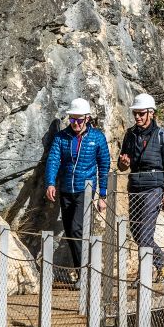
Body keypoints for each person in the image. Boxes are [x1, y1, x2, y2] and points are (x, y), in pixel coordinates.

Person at [44, 98, 110, 286]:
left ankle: (86, 274)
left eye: (79, 120)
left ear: (87, 118)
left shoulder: (97, 138)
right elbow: (53, 160)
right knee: (72, 231)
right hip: (65, 189)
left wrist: (102, 195)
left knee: (76, 229)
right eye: (72, 119)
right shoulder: (61, 137)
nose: (75, 123)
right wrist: (50, 183)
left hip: (85, 190)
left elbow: (104, 165)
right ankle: (83, 273)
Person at [118, 93, 164, 282]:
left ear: (151, 113)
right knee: (136, 230)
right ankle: (162, 262)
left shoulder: (162, 135)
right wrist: (124, 163)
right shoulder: (130, 134)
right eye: (135, 113)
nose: (138, 117)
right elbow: (122, 165)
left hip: (154, 188)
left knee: (144, 233)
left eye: (141, 113)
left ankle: (145, 274)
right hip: (134, 186)